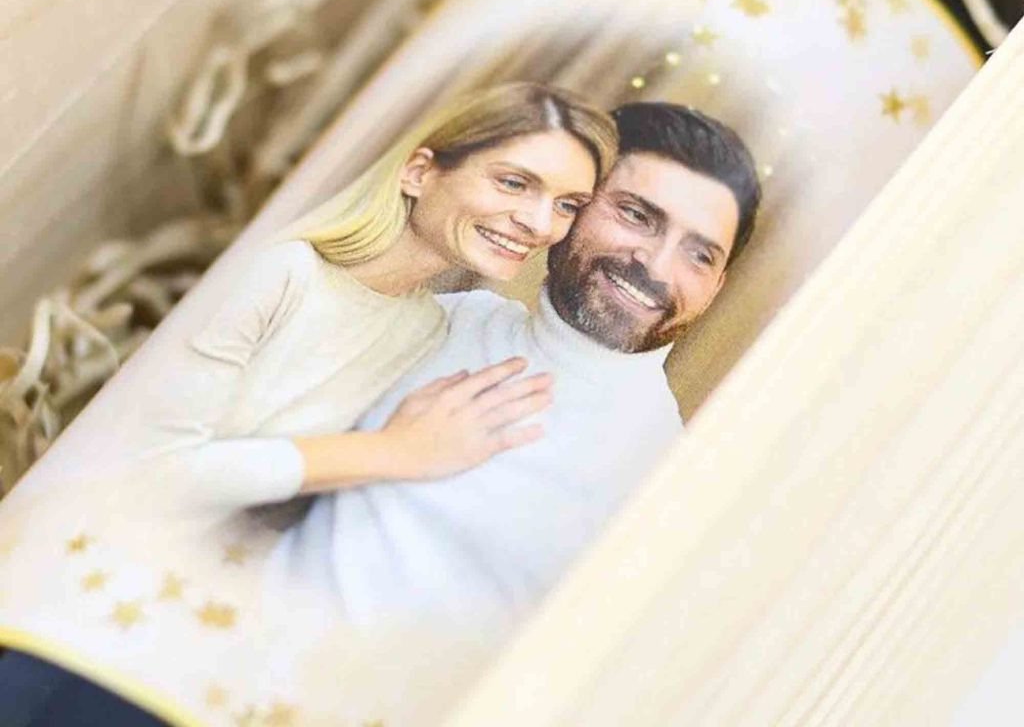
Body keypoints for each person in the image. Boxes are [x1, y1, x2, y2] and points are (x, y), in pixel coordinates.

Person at [273, 101, 761, 647]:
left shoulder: (667, 479)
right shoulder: (446, 320)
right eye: (637, 216)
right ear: (573, 206)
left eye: (699, 255)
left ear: (717, 287)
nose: (656, 265)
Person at [140, 80, 618, 522]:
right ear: (418, 172)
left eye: (567, 205)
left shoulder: (424, 328)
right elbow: (149, 470)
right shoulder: (280, 273)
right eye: (513, 183)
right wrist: (394, 451)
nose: (540, 224)